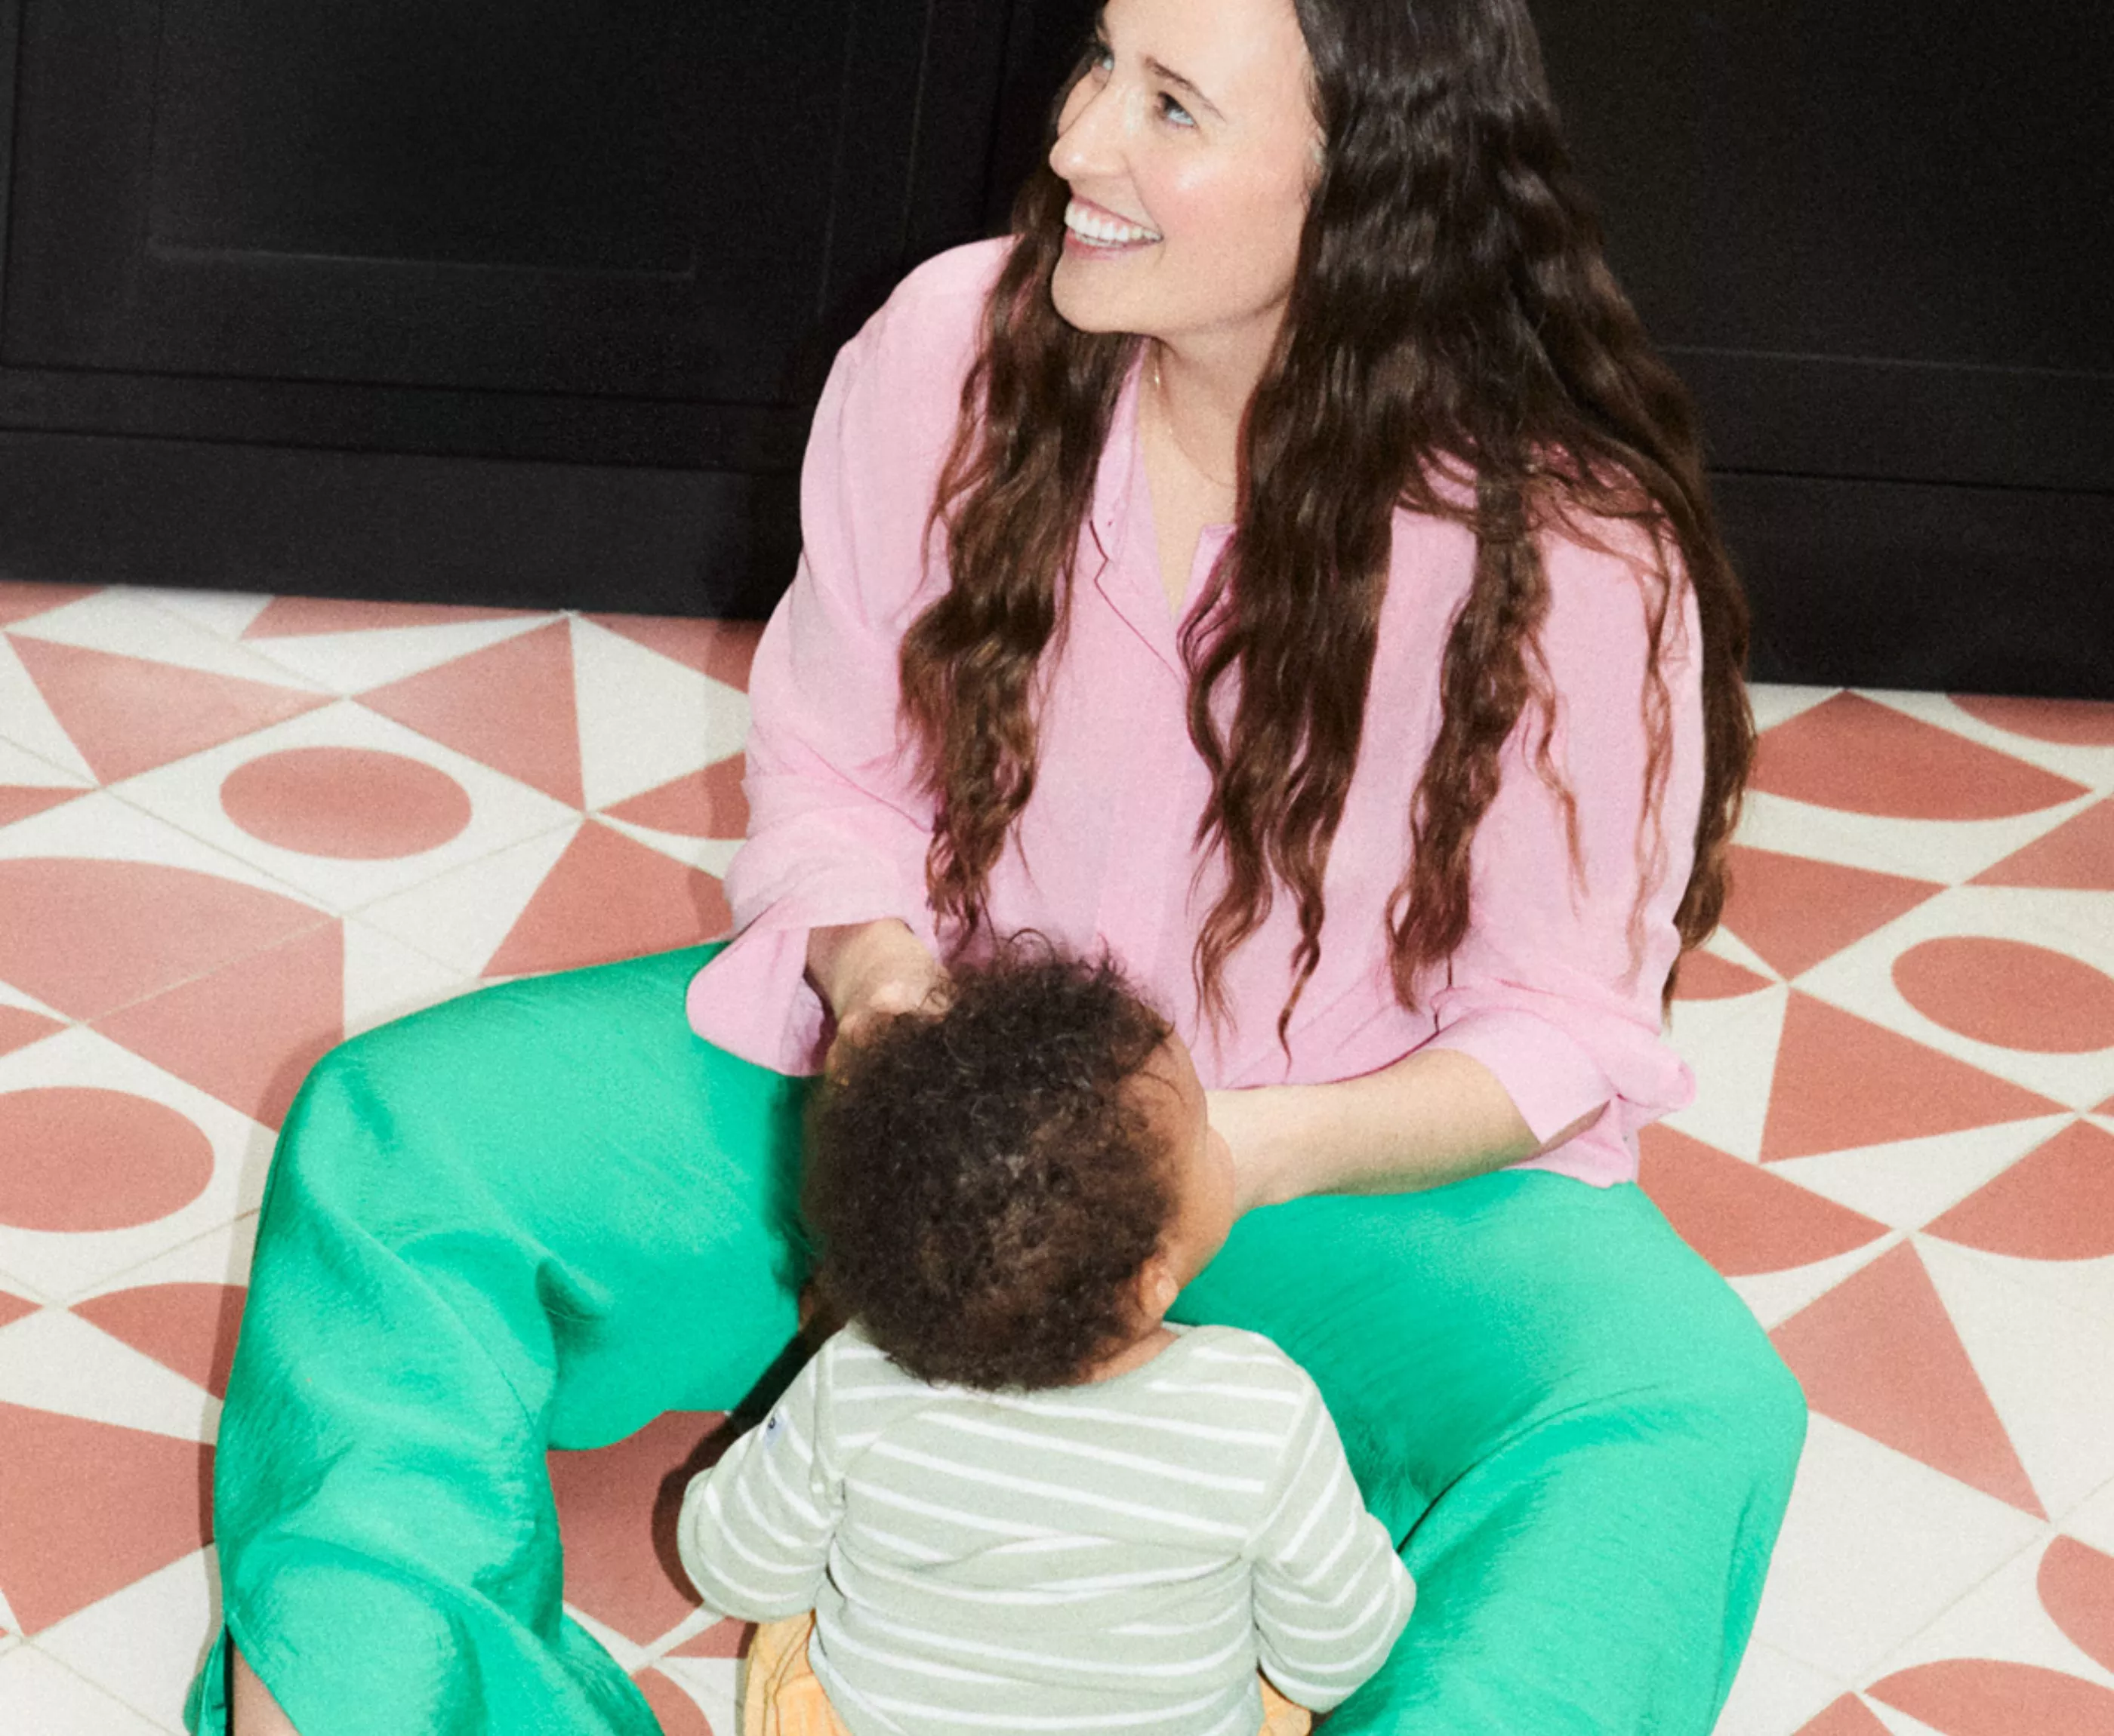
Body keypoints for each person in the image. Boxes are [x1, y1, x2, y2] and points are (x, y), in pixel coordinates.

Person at [200, 0, 1805, 1731]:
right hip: (921, 1129)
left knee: (1685, 1403)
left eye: (1171, 104)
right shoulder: (950, 344)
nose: (1077, 138)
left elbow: (1566, 1014)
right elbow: (834, 764)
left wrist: (1234, 1150)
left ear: (1373, 194)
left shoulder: (1567, 544)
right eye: (1103, 58)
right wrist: (881, 991)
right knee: (400, 1140)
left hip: (1320, 1166)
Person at [680, 949, 1415, 1736]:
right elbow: (1338, 1654)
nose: (1222, 1145)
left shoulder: (860, 1372)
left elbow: (739, 1569)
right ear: (1151, 1278)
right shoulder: (1257, 1408)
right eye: (1205, 1138)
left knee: (792, 1640)